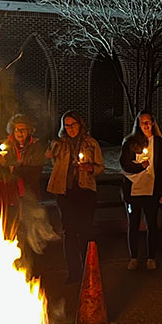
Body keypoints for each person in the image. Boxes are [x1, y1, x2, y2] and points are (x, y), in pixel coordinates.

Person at [47, 111, 104, 284]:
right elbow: (49, 157)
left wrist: (90, 168)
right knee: (69, 232)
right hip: (65, 192)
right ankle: (73, 272)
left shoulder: (90, 143)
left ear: (80, 124)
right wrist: (51, 152)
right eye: (67, 125)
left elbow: (100, 166)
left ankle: (88, 270)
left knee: (85, 231)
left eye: (73, 124)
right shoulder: (59, 144)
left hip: (85, 191)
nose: (71, 128)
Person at [119, 112, 162, 271]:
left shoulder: (160, 143)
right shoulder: (130, 142)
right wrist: (139, 167)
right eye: (142, 123)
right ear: (138, 125)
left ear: (153, 123)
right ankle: (133, 257)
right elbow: (125, 164)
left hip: (152, 191)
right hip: (134, 191)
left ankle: (151, 257)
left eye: (149, 122)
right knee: (133, 224)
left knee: (152, 224)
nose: (146, 126)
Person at [0, 113, 47, 241]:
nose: (19, 133)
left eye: (23, 130)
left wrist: (14, 169)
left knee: (29, 227)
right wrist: (3, 165)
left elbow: (34, 172)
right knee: (11, 226)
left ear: (29, 131)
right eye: (16, 129)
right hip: (10, 194)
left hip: (29, 191)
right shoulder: (6, 146)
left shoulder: (35, 147)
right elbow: (0, 174)